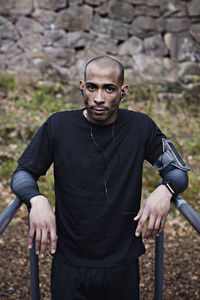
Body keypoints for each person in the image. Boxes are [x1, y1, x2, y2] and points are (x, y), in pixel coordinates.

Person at [11, 56, 190, 300]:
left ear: (123, 91)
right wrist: (36, 199)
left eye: (109, 89)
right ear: (81, 86)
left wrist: (165, 189)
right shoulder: (58, 125)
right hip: (68, 263)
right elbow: (22, 174)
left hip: (122, 265)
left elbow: (178, 172)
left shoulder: (140, 127)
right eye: (92, 87)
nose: (98, 98)